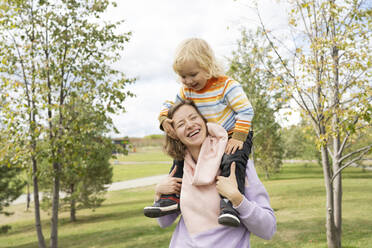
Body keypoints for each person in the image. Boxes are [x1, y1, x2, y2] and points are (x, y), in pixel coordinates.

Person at [144, 38, 254, 227]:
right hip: (209, 136)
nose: (187, 81)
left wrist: (238, 137)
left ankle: (230, 204)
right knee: (180, 158)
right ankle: (171, 198)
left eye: (192, 75)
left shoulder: (227, 85)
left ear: (208, 65)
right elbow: (171, 106)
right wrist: (163, 119)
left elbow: (245, 110)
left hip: (232, 133)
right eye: (183, 76)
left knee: (232, 161)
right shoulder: (187, 90)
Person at [153, 100, 276, 247]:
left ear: (205, 121)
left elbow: (268, 230)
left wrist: (237, 199)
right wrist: (159, 193)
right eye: (180, 124)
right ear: (174, 134)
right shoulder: (181, 169)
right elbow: (164, 222)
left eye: (193, 117)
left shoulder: (236, 166)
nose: (190, 125)